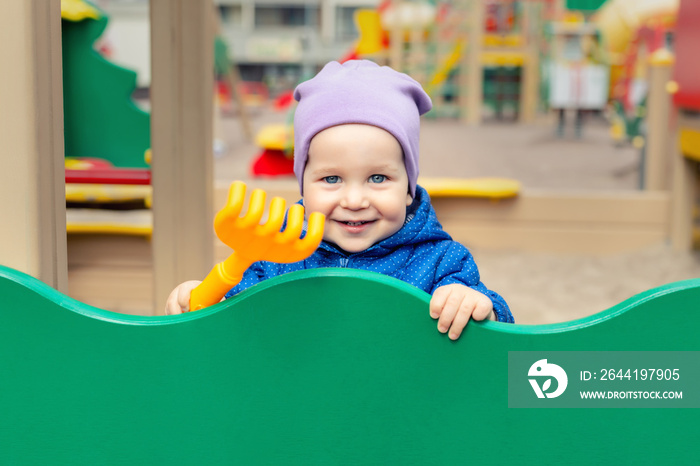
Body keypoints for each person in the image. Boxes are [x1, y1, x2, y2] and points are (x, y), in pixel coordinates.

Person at [166, 60, 514, 338]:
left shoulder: (442, 262)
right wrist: (199, 297)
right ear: (304, 186)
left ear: (409, 185)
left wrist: (478, 306)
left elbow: (501, 334)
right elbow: (230, 323)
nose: (354, 199)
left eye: (378, 178)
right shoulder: (274, 258)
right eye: (331, 179)